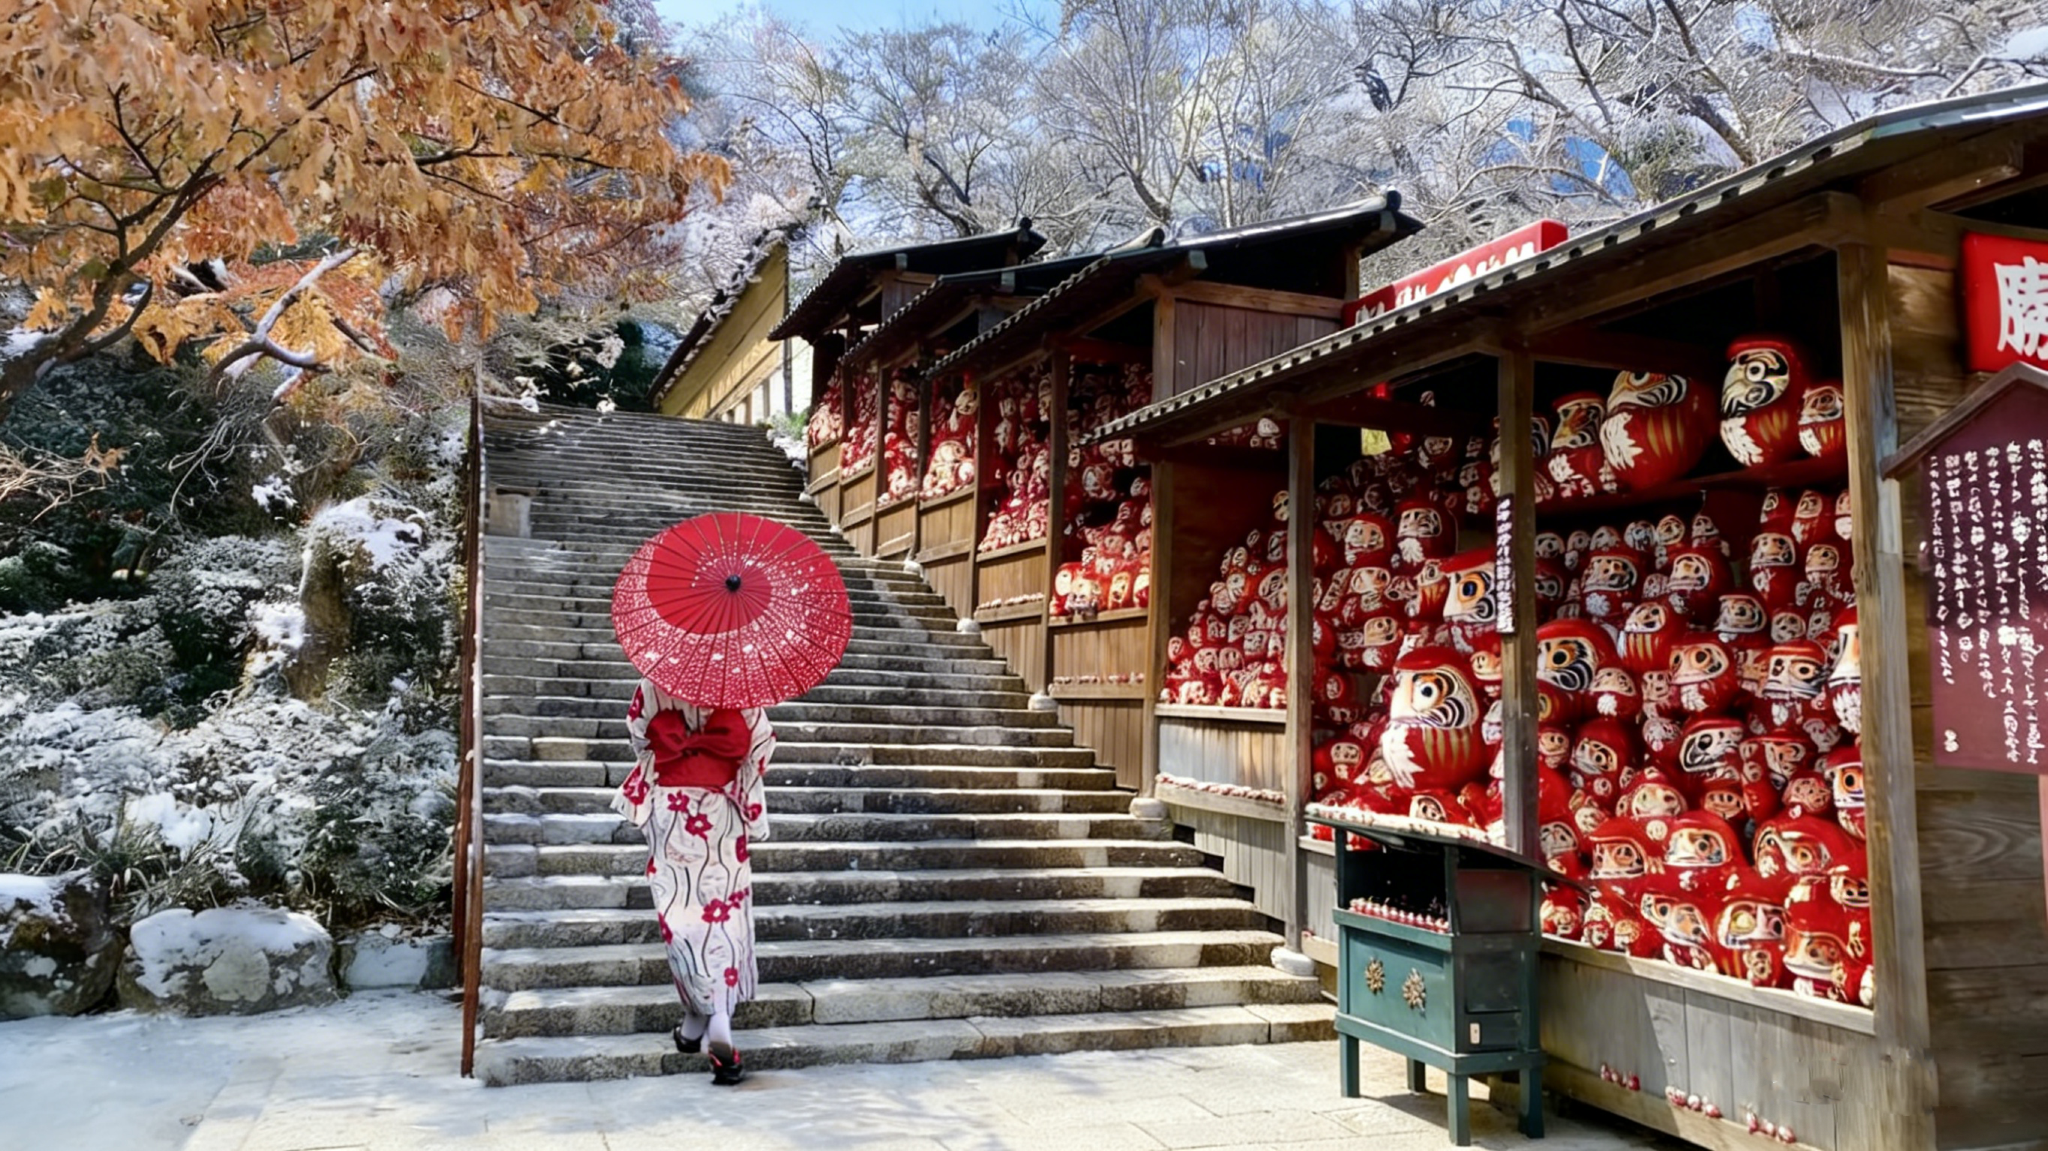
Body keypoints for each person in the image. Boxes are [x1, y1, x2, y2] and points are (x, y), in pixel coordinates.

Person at [612, 676, 775, 1085]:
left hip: (671, 810)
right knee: (723, 916)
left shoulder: (652, 684)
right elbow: (760, 746)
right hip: (720, 812)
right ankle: (713, 1019)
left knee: (682, 918)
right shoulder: (741, 687)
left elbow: (639, 736)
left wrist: (681, 746)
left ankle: (697, 1021)